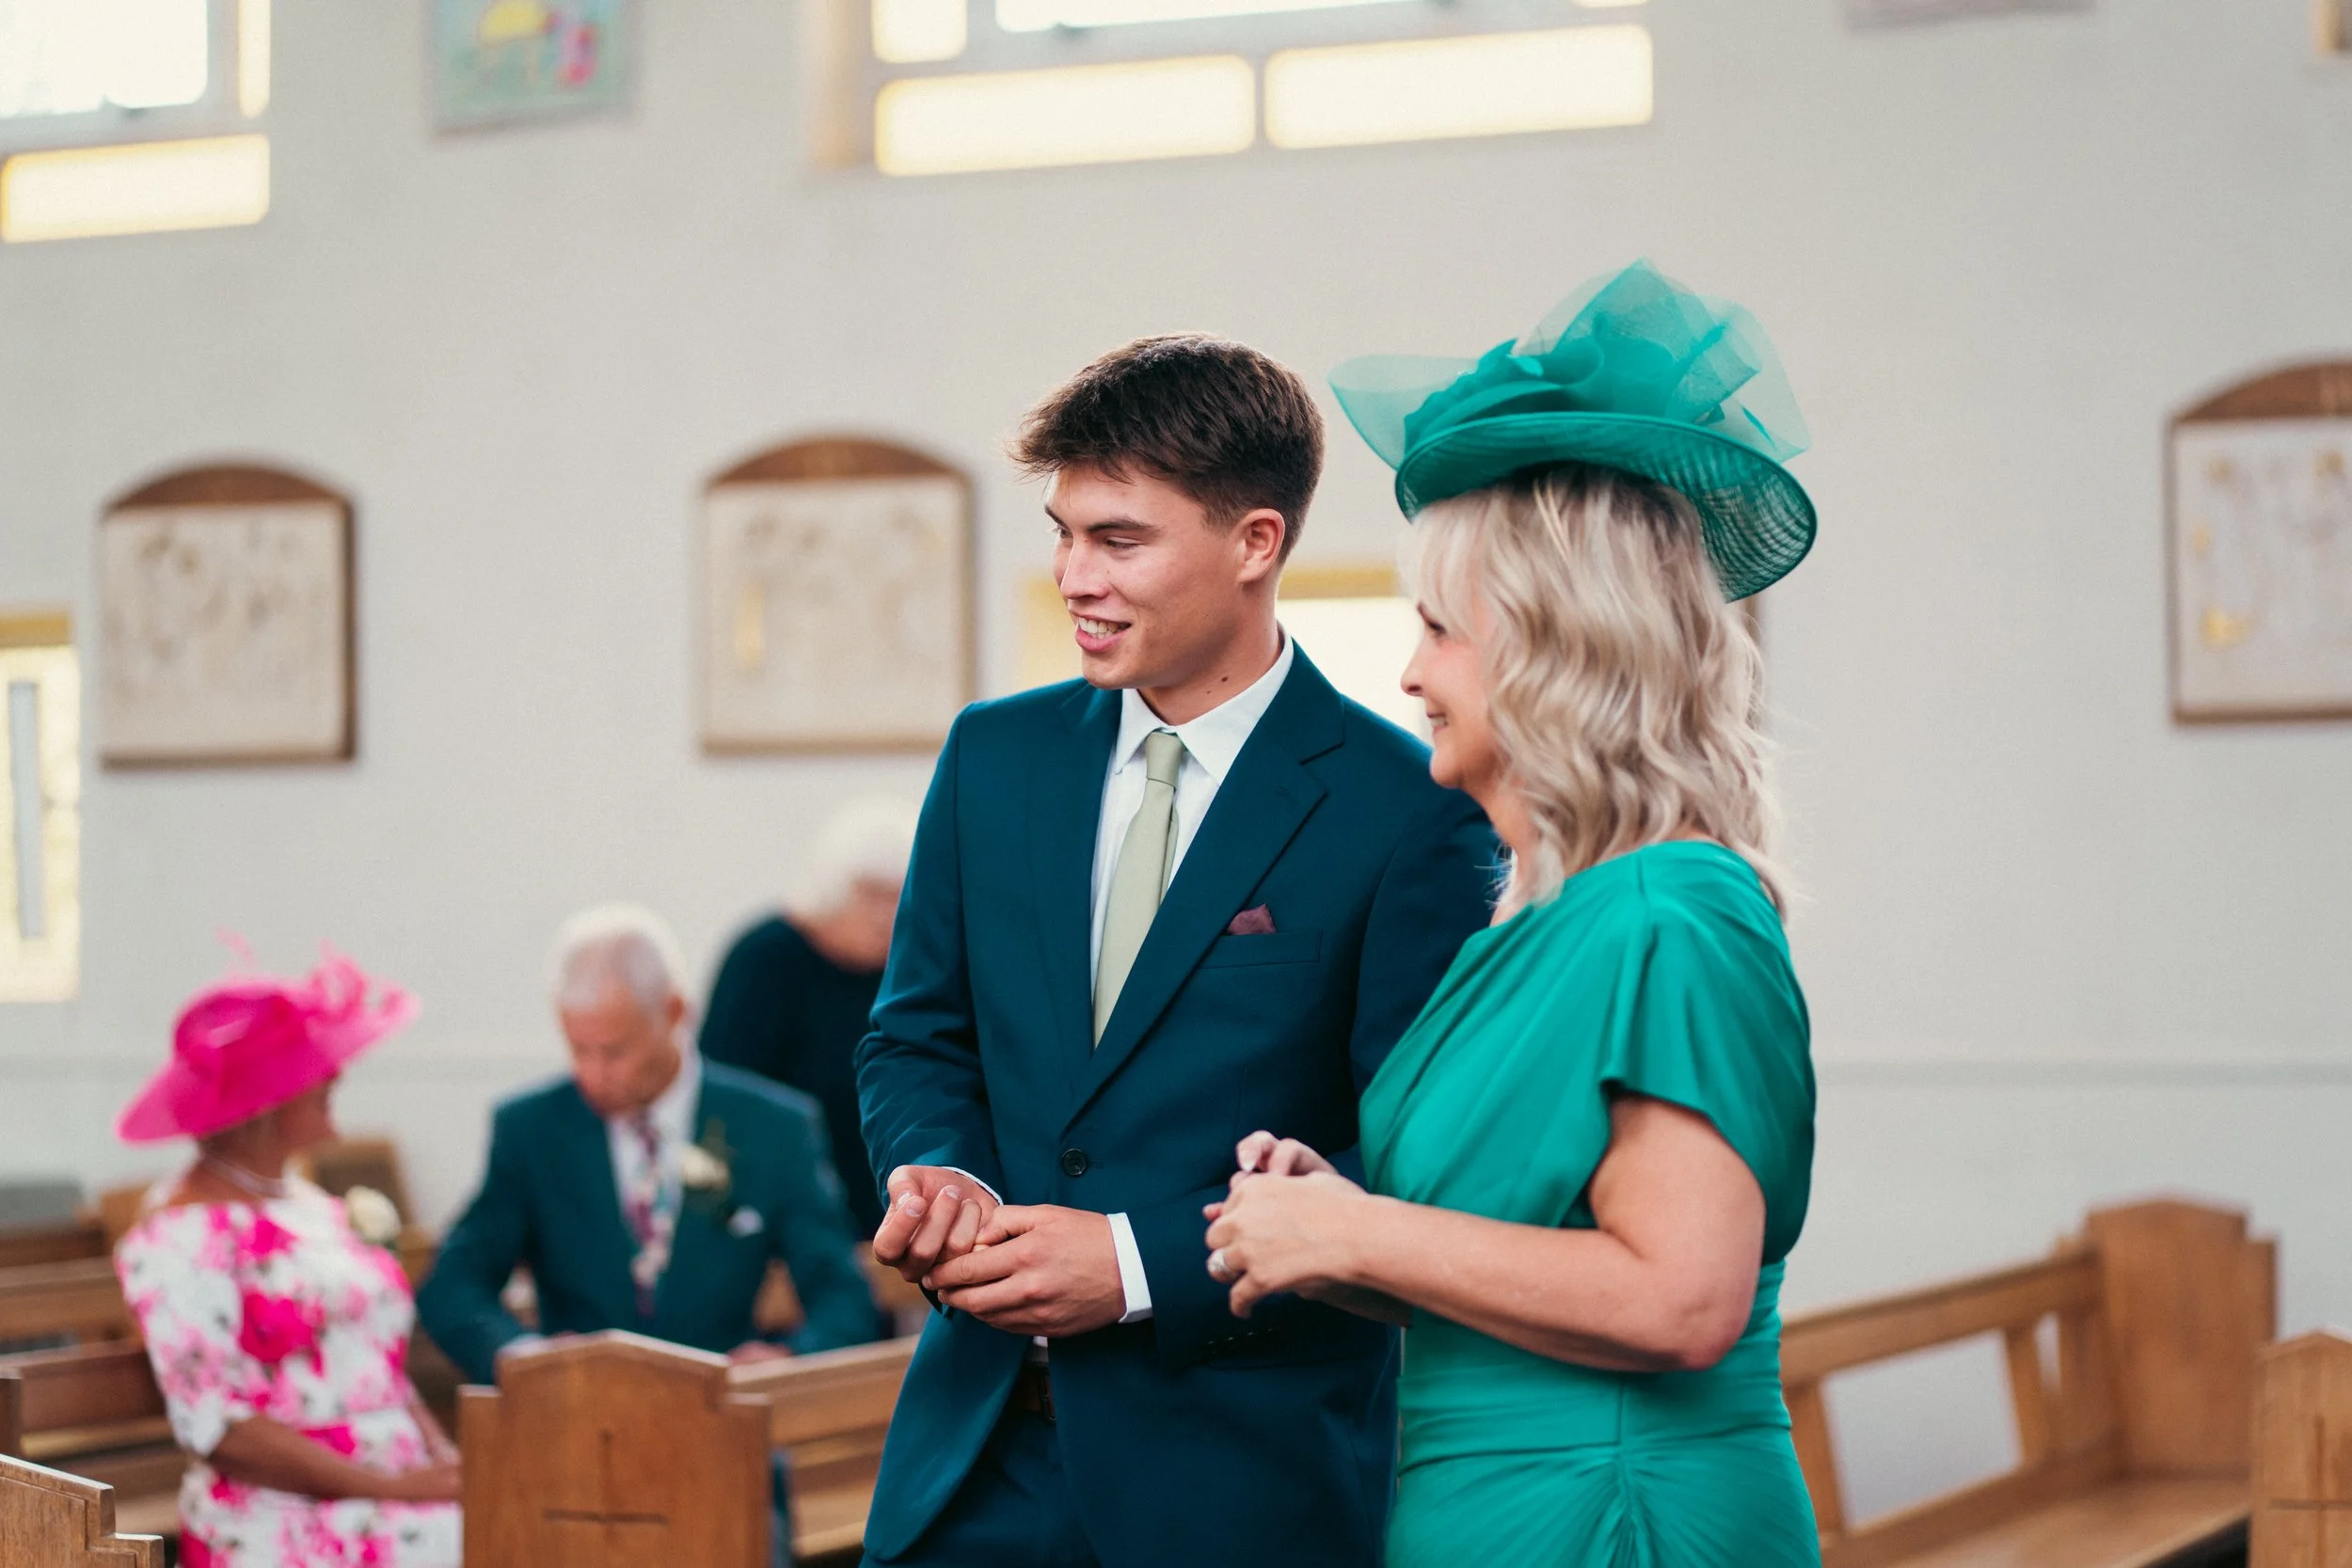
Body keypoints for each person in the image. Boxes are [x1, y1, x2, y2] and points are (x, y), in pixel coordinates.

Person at [1202, 260, 1824, 1567]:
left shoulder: (1674, 908)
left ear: (1555, 647)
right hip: (1481, 1510)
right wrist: (1329, 1231)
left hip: (1621, 1514)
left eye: (1438, 628)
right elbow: (1517, 1262)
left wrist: (1361, 1225)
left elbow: (1682, 1296)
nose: (1413, 671)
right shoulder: (1539, 925)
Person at [854, 335, 1496, 1568]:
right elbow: (916, 1033)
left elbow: (1415, 1155)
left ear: (1257, 540)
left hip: (1245, 1485)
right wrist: (937, 1172)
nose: (1073, 576)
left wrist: (1141, 1262)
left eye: (1119, 538)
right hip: (972, 1468)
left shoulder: (1410, 807)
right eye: (1063, 532)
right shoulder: (994, 757)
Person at [417, 902, 877, 1384]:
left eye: (614, 1050)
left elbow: (842, 1294)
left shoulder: (773, 1126)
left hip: (722, 1422)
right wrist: (523, 1355)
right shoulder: (531, 1128)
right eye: (578, 1049)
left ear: (675, 1012)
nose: (592, 1075)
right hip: (576, 1423)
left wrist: (791, 1361)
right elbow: (453, 1285)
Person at [112, 948, 461, 1568]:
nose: (336, 1075)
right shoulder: (179, 1235)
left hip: (402, 1497)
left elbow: (377, 1361)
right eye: (316, 1067)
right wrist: (393, 1488)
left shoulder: (314, 1206)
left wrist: (441, 1459)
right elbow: (220, 1428)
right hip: (287, 1517)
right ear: (265, 1103)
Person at [702, 800, 919, 1237]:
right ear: (831, 889)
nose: (886, 915)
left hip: (896, 1216)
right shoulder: (765, 960)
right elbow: (721, 1104)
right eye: (871, 894)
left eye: (899, 895)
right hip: (786, 1217)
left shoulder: (917, 968)